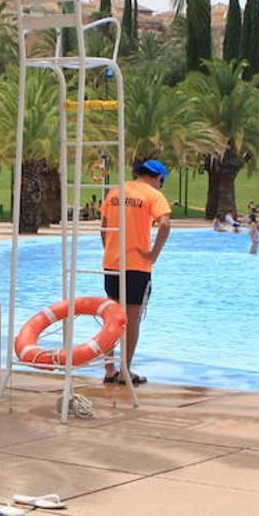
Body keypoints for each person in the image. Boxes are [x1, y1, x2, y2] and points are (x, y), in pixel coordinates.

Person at [100, 159, 172, 385]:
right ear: (157, 177)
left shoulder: (115, 191)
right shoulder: (153, 195)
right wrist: (153, 255)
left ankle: (109, 369)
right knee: (131, 320)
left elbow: (103, 226)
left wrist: (110, 249)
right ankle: (125, 371)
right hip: (137, 266)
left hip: (112, 263)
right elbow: (165, 224)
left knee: (112, 317)